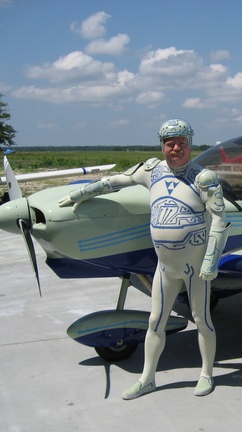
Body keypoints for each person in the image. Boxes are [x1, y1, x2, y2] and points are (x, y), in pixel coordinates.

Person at [59, 118, 230, 399]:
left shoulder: (203, 178)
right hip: (165, 268)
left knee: (202, 319)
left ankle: (206, 374)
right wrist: (82, 192)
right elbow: (117, 181)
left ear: (190, 145)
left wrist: (211, 262)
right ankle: (147, 378)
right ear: (162, 146)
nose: (176, 148)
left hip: (195, 268)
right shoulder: (151, 172)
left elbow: (219, 220)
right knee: (155, 322)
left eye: (182, 143)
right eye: (170, 143)